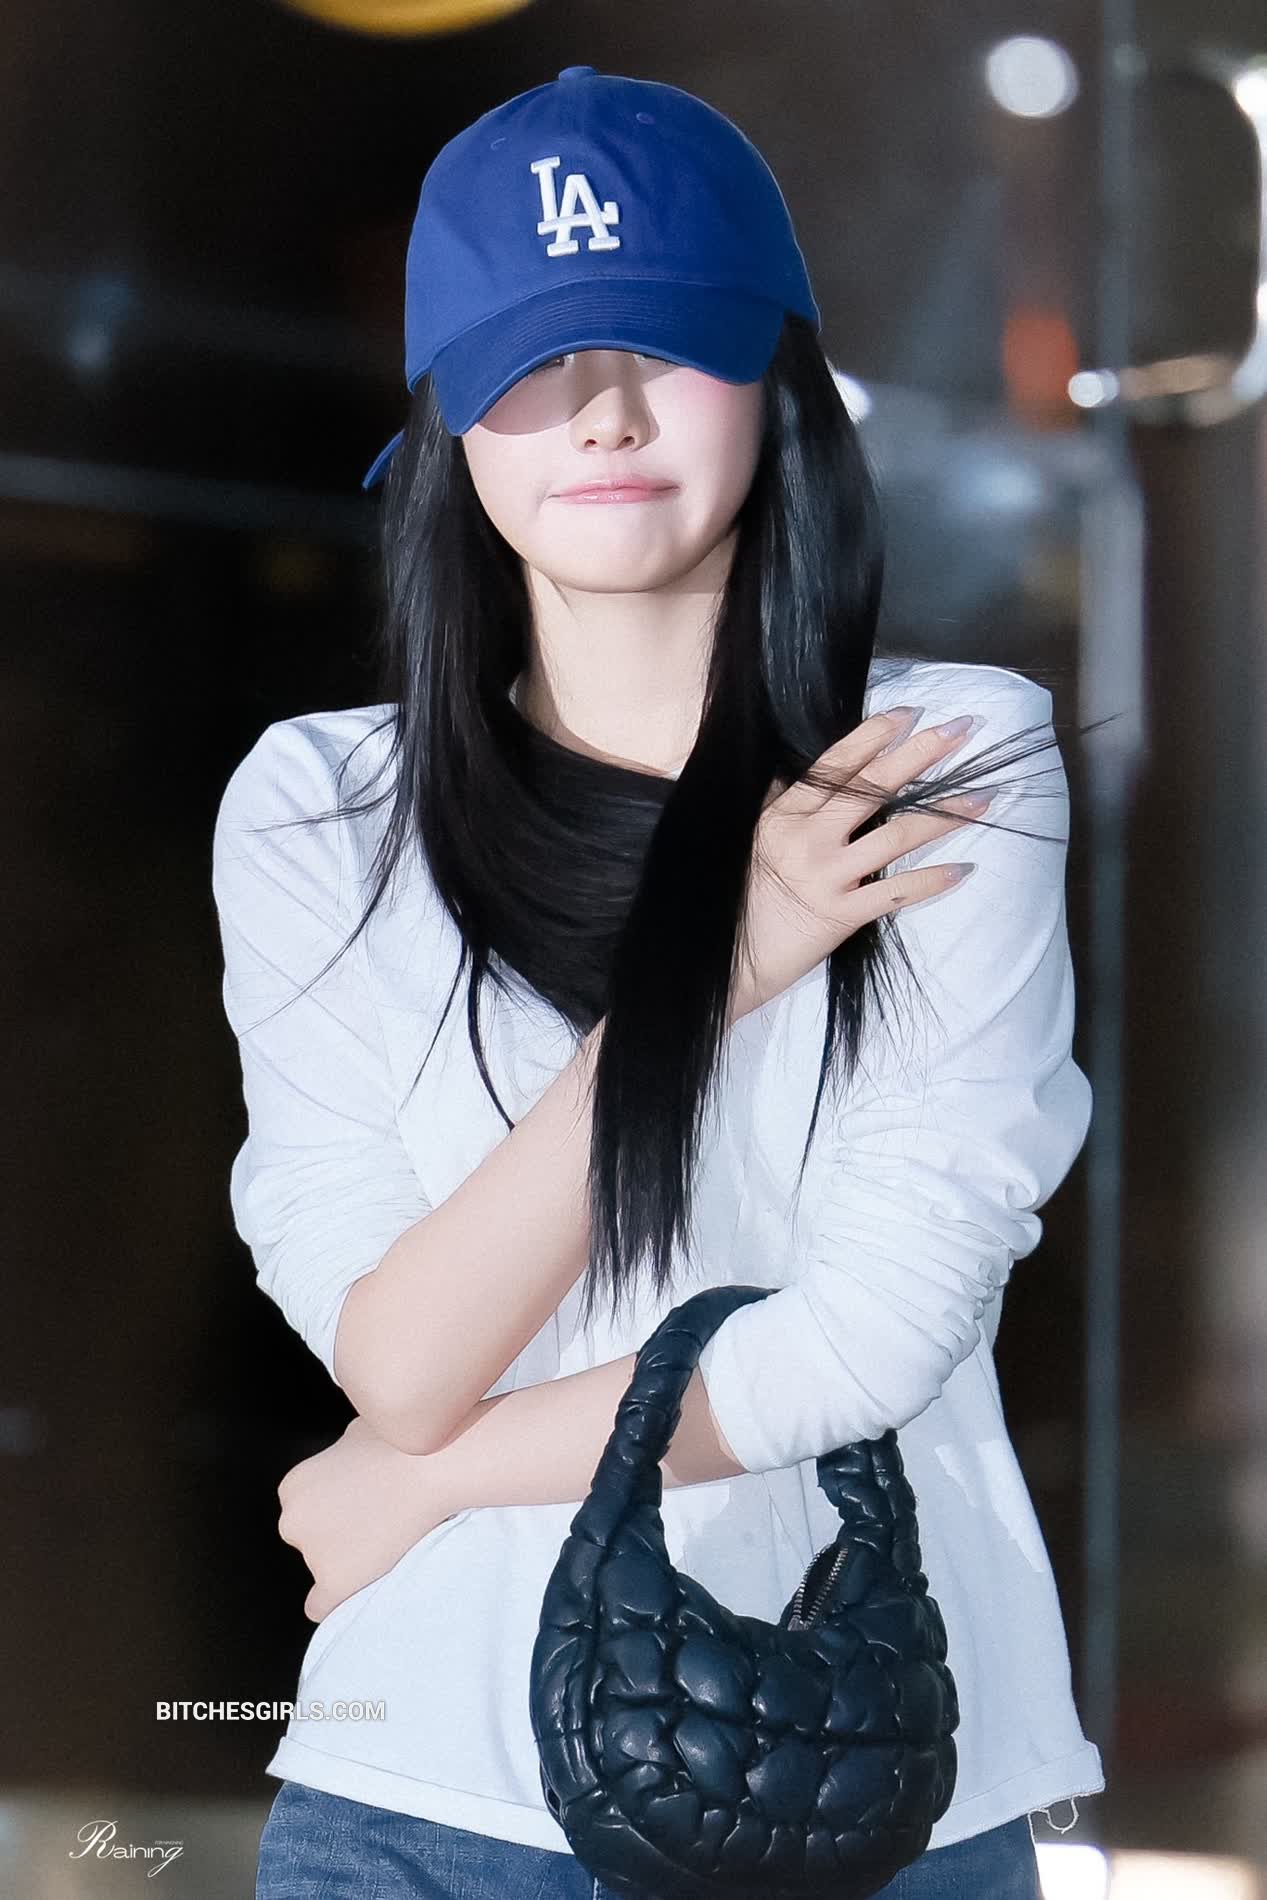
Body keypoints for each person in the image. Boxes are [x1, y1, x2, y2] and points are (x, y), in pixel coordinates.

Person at [212, 64, 1104, 1900]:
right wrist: (720, 968)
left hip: (867, 1773)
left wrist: (434, 1481)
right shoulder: (320, 809)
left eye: (666, 344)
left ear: (774, 381)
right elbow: (397, 1360)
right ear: (450, 423)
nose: (602, 411)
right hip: (427, 1793)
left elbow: (877, 1331)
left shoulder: (947, 764)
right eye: (531, 361)